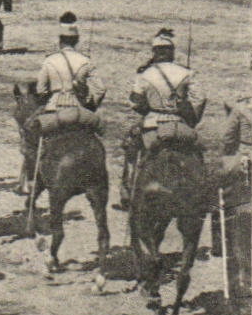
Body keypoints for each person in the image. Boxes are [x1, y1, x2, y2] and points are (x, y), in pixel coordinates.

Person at [122, 28, 206, 209]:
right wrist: (192, 118)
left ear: (155, 52)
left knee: (131, 144)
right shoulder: (187, 73)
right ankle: (203, 188)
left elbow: (134, 102)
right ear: (172, 52)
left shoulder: (145, 74)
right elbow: (200, 99)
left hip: (153, 126)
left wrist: (146, 109)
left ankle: (128, 187)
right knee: (197, 151)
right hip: (180, 125)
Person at [23, 11, 106, 194]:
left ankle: (33, 181)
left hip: (55, 109)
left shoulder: (50, 61)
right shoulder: (86, 61)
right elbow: (100, 89)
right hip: (79, 111)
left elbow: (41, 89)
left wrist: (47, 98)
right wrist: (90, 104)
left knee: (31, 135)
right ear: (76, 41)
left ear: (60, 40)